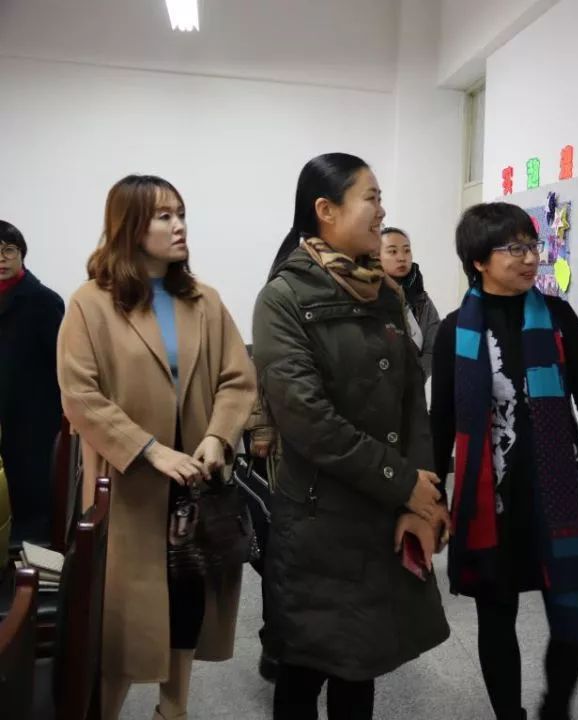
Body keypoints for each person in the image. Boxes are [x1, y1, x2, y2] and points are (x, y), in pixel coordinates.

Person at [253, 153, 450, 720]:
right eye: (371, 197)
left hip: (381, 514)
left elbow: (415, 398)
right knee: (303, 671)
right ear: (326, 210)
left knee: (361, 669)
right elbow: (307, 420)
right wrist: (402, 482)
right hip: (319, 521)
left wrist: (420, 495)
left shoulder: (384, 292)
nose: (382, 211)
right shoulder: (282, 299)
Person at [56, 175, 256, 720]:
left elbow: (237, 380)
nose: (179, 225)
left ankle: (175, 710)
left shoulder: (204, 301)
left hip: (195, 487)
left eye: (181, 213)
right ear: (129, 227)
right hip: (126, 490)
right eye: (163, 216)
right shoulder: (90, 304)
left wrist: (218, 436)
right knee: (120, 624)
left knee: (187, 604)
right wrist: (147, 449)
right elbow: (80, 394)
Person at [430, 202, 578, 720]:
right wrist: (433, 496)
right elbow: (442, 422)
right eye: (514, 248)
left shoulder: (558, 317)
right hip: (491, 495)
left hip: (563, 486)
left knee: (573, 610)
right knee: (496, 616)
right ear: (478, 259)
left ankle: (554, 708)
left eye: (532, 246)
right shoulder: (455, 331)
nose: (529, 259)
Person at [0, 220, 65, 542]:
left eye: (8, 250)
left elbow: (62, 364)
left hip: (34, 418)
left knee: (32, 498)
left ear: (21, 255)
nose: (1, 258)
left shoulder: (43, 300)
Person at [379, 227, 440, 380]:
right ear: (376, 255)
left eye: (406, 251)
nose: (402, 257)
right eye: (392, 251)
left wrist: (415, 378)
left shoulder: (422, 300)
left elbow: (433, 349)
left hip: (413, 391)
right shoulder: (365, 296)